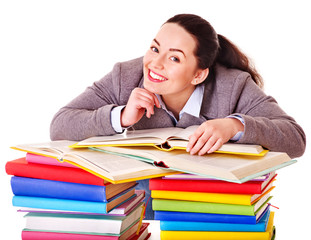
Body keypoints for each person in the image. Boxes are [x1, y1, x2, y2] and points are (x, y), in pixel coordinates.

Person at [50, 14, 306, 219]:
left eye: (174, 58)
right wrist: (120, 117)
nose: (155, 64)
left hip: (211, 211)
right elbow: (60, 125)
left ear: (198, 75)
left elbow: (295, 140)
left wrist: (234, 125)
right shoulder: (125, 76)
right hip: (139, 213)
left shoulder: (234, 85)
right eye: (154, 48)